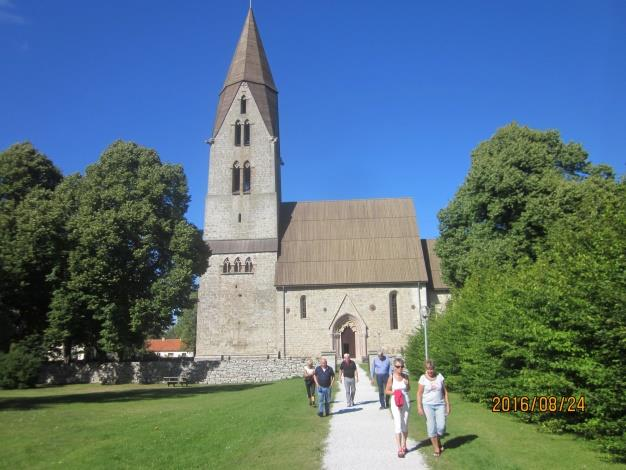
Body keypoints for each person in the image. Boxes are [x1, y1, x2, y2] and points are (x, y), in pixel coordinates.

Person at [417, 359, 450, 457]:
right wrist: (419, 406)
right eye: (428, 369)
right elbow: (419, 393)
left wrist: (448, 405)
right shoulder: (422, 378)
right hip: (427, 405)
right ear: (425, 369)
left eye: (432, 369)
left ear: (434, 368)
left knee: (441, 427)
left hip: (440, 404)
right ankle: (436, 448)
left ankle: (438, 440)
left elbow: (445, 392)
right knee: (431, 427)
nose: (430, 371)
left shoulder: (440, 377)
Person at [385, 357, 410, 458]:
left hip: (406, 402)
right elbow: (386, 391)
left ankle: (404, 444)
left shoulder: (405, 376)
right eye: (398, 367)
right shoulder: (391, 377)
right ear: (394, 367)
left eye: (402, 366)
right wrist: (394, 392)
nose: (400, 368)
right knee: (398, 423)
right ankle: (399, 448)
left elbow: (408, 389)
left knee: (405, 423)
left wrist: (407, 385)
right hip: (395, 402)